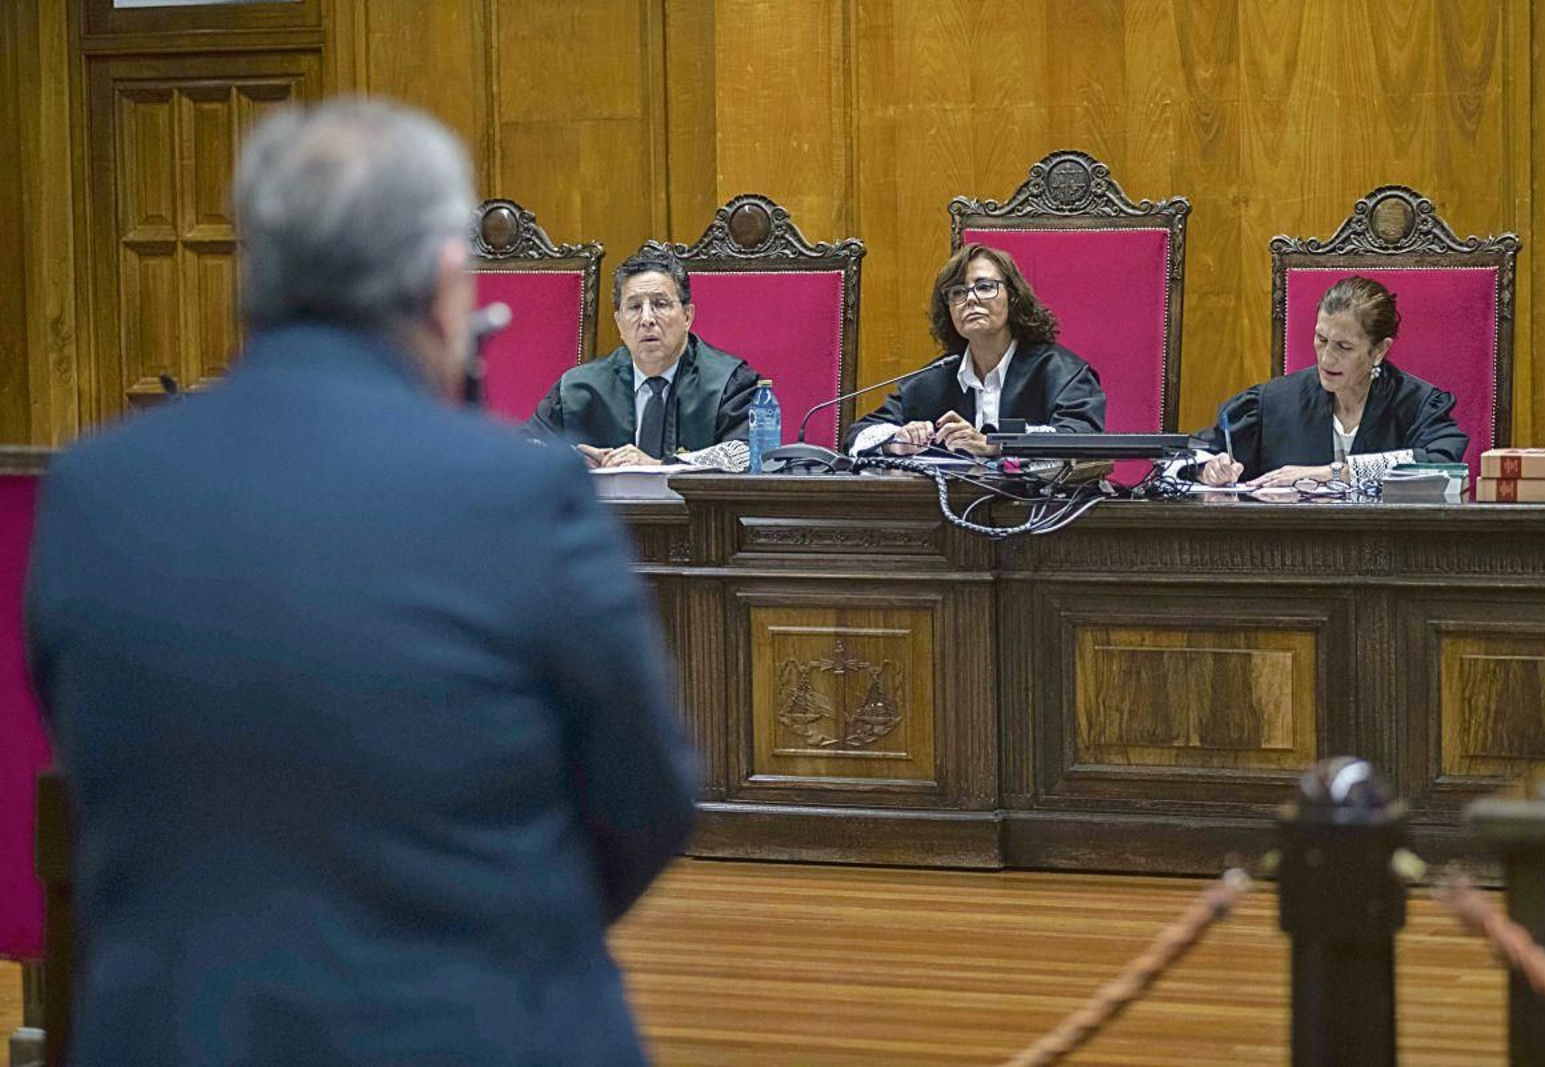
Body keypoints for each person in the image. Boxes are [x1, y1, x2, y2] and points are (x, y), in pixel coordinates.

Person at [25, 98, 696, 1067]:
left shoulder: (94, 487)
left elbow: (97, 766)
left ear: (254, 276)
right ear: (444, 278)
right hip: (483, 1024)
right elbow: (644, 797)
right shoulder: (522, 491)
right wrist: (504, 925)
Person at [1191, 276, 1468, 487]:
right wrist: (1210, 469)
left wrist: (1332, 473)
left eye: (1344, 347)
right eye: (1321, 340)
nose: (1327, 358)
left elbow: (1442, 465)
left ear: (1380, 350)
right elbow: (1194, 456)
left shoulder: (1417, 405)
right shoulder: (1271, 403)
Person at [844, 243, 1105, 456]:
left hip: (1044, 512)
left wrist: (996, 444)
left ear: (1013, 298)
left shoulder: (1062, 373)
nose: (970, 299)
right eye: (957, 292)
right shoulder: (932, 380)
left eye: (984, 287)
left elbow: (1083, 440)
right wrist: (897, 440)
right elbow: (859, 434)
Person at [528, 243, 761, 470]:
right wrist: (572, 460)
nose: (647, 318)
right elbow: (527, 447)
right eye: (635, 307)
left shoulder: (730, 383)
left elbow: (749, 453)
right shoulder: (579, 388)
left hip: (698, 510)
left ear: (687, 317)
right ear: (619, 323)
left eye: (660, 304)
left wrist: (659, 466)